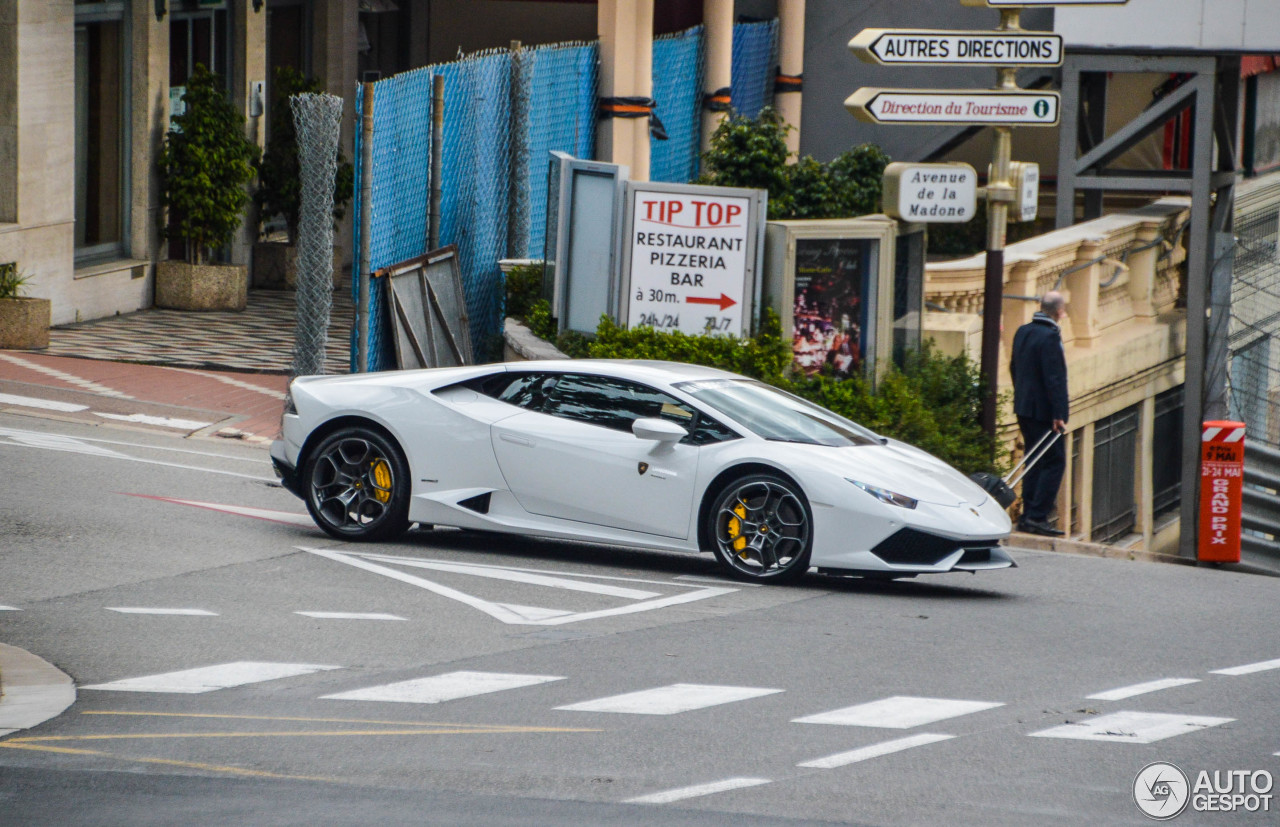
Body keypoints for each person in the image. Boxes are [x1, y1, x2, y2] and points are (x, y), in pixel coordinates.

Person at [1010, 291, 1069, 537]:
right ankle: (1037, 516)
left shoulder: (1023, 331)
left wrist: (1023, 394)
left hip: (1024, 407)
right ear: (1058, 313)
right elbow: (1054, 379)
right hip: (1044, 412)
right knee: (1055, 461)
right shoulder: (1050, 337)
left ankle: (1028, 516)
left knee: (1034, 460)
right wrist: (1059, 414)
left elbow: (1014, 367)